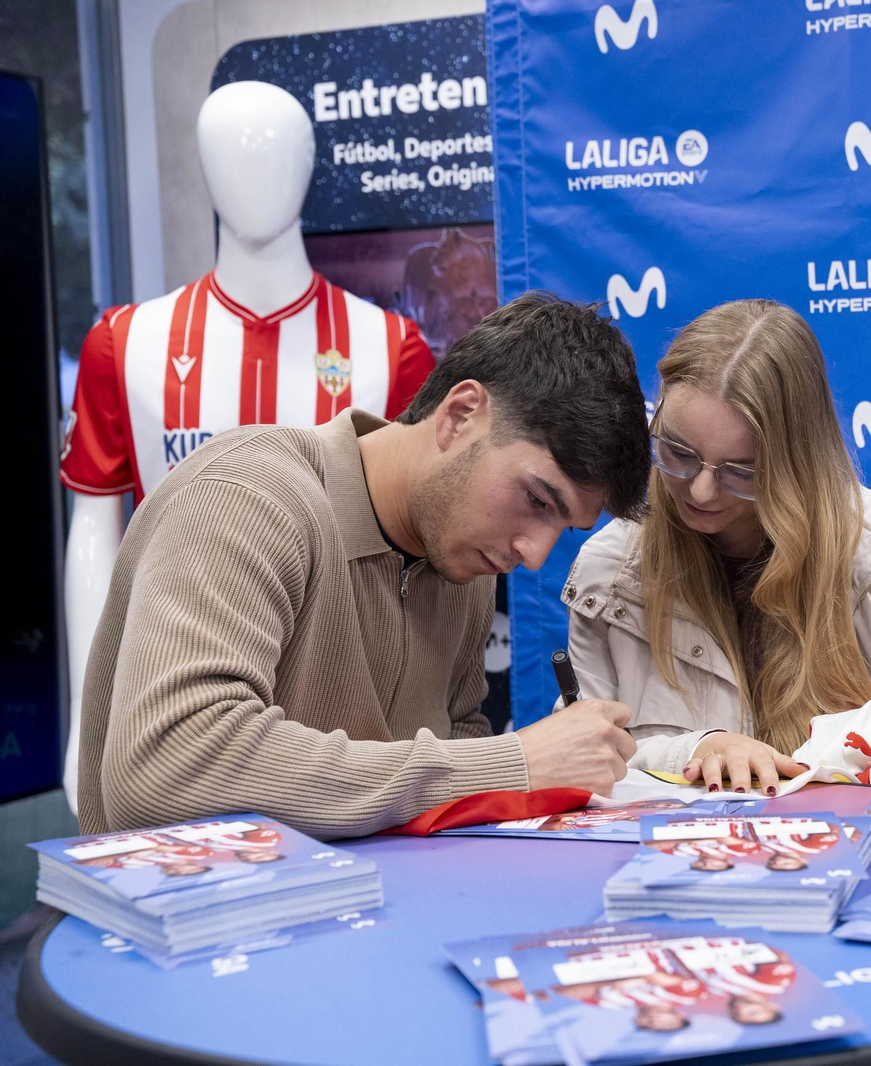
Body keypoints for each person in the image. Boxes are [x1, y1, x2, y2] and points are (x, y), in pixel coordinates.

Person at [75, 292, 649, 838]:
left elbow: (453, 750)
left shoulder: (463, 564)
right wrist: (511, 763)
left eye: (563, 527)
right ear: (460, 414)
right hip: (192, 927)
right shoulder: (247, 495)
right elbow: (163, 765)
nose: (535, 553)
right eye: (536, 501)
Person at [563, 299, 871, 795]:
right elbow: (578, 763)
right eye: (677, 453)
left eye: (742, 472)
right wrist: (695, 750)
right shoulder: (610, 573)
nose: (701, 491)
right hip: (675, 867)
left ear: (800, 460)